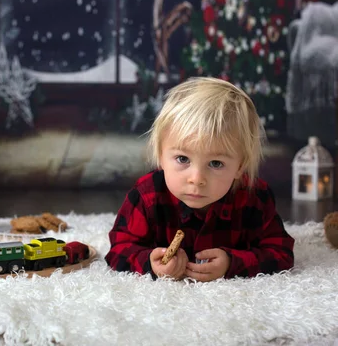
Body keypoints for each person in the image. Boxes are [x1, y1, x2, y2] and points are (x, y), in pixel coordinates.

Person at [105, 77, 294, 281]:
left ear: (240, 166)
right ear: (161, 155)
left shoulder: (254, 197)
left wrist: (233, 263)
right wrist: (149, 262)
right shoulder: (146, 195)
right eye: (182, 159)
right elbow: (119, 248)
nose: (197, 179)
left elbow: (280, 252)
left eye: (215, 163)